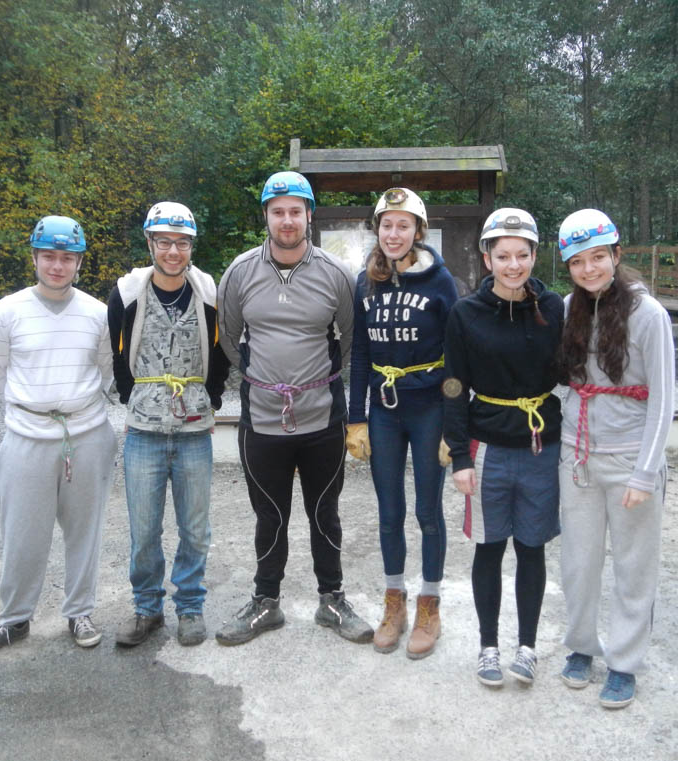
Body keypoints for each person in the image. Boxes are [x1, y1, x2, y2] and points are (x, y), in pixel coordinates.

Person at [215, 171, 373, 645]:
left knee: (325, 512)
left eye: (295, 211)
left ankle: (332, 599)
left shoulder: (335, 273)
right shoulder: (240, 272)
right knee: (270, 515)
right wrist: (264, 377)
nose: (287, 220)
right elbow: (229, 338)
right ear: (265, 216)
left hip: (322, 416)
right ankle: (266, 601)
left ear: (309, 216)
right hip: (263, 418)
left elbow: (348, 338)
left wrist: (310, 379)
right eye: (278, 211)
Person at [0, 215, 117, 657]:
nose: (57, 266)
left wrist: (71, 407)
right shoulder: (7, 312)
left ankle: (80, 612)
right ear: (34, 258)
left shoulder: (98, 313)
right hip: (27, 437)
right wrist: (36, 407)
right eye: (49, 256)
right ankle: (14, 619)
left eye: (67, 258)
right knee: (22, 533)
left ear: (79, 263)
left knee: (85, 532)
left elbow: (107, 372)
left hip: (87, 434)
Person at [555, 208, 674, 709]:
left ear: (616, 255)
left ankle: (624, 662)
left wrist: (645, 472)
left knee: (633, 564)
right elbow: (559, 378)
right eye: (577, 261)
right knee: (578, 561)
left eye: (598, 257)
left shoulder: (649, 315)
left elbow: (664, 398)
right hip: (577, 455)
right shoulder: (568, 308)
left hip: (629, 457)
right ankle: (582, 646)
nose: (589, 269)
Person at [442, 208, 563, 686]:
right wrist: (459, 456)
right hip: (488, 446)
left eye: (522, 255)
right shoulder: (466, 313)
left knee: (532, 547)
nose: (513, 265)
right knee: (489, 548)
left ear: (535, 255)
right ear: (487, 258)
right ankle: (488, 646)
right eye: (503, 255)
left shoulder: (554, 309)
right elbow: (454, 385)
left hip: (541, 447)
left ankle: (527, 647)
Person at [107, 202, 229, 648]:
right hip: (143, 432)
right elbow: (118, 352)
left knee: (195, 529)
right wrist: (135, 400)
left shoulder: (208, 294)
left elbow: (220, 354)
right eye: (164, 242)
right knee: (144, 530)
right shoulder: (126, 294)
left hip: (195, 431)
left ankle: (190, 606)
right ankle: (147, 608)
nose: (173, 251)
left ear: (192, 245)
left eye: (182, 243)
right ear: (150, 243)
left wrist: (210, 399)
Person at [347, 188, 459, 658]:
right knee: (389, 511)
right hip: (385, 412)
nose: (394, 234)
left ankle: (430, 604)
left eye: (403, 225)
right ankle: (394, 601)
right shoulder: (365, 283)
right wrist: (356, 418)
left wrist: (455, 424)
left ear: (419, 230)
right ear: (377, 229)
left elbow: (456, 356)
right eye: (386, 225)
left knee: (428, 511)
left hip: (429, 408)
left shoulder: (440, 281)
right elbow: (360, 353)